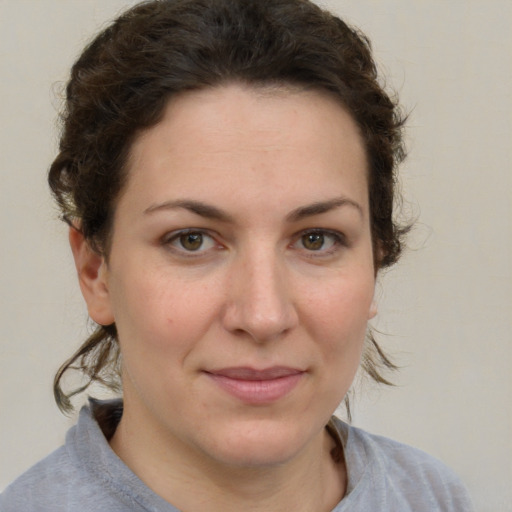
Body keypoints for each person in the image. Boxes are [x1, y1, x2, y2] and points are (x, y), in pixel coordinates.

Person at [0, 0, 474, 510]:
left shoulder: (432, 496)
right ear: (96, 273)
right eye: (191, 239)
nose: (263, 315)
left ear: (374, 262)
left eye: (316, 238)